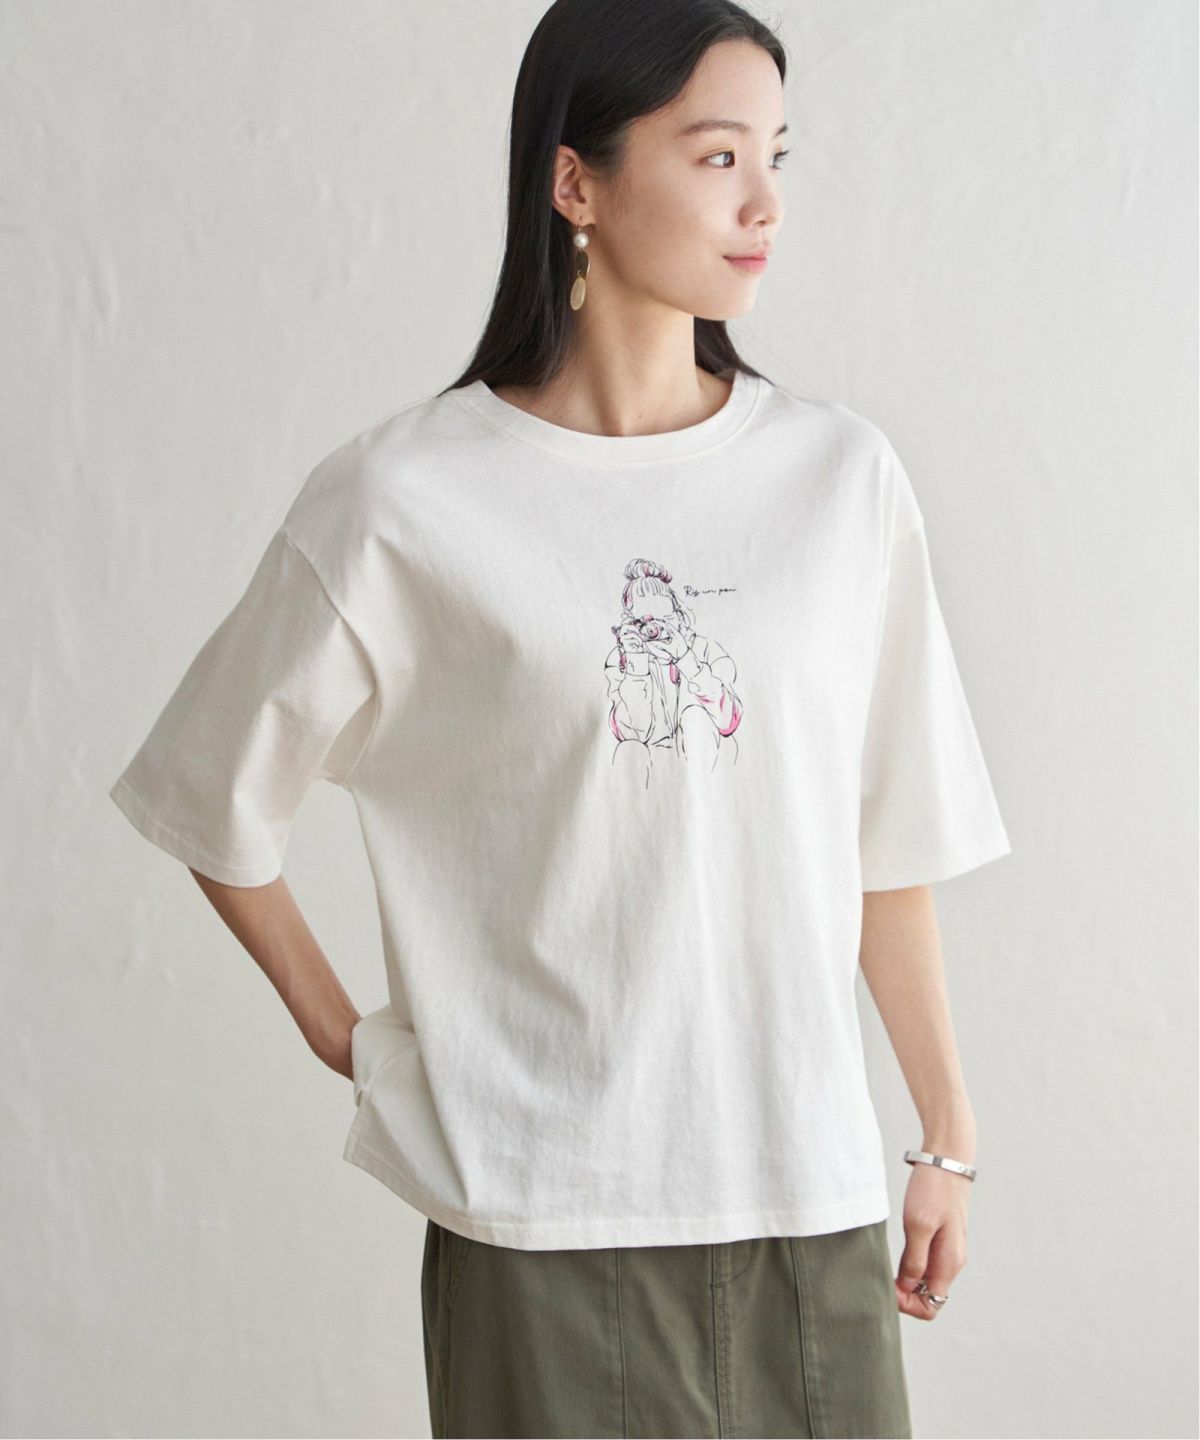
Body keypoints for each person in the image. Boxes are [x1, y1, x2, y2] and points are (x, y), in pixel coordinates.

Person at [108, 1, 1012, 1435]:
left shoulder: (841, 481)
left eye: (777, 154)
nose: (765, 203)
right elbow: (210, 795)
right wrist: (356, 1043)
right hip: (542, 1228)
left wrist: (945, 1136)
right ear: (575, 182)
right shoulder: (408, 499)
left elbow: (882, 835)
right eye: (717, 156)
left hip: (812, 1206)